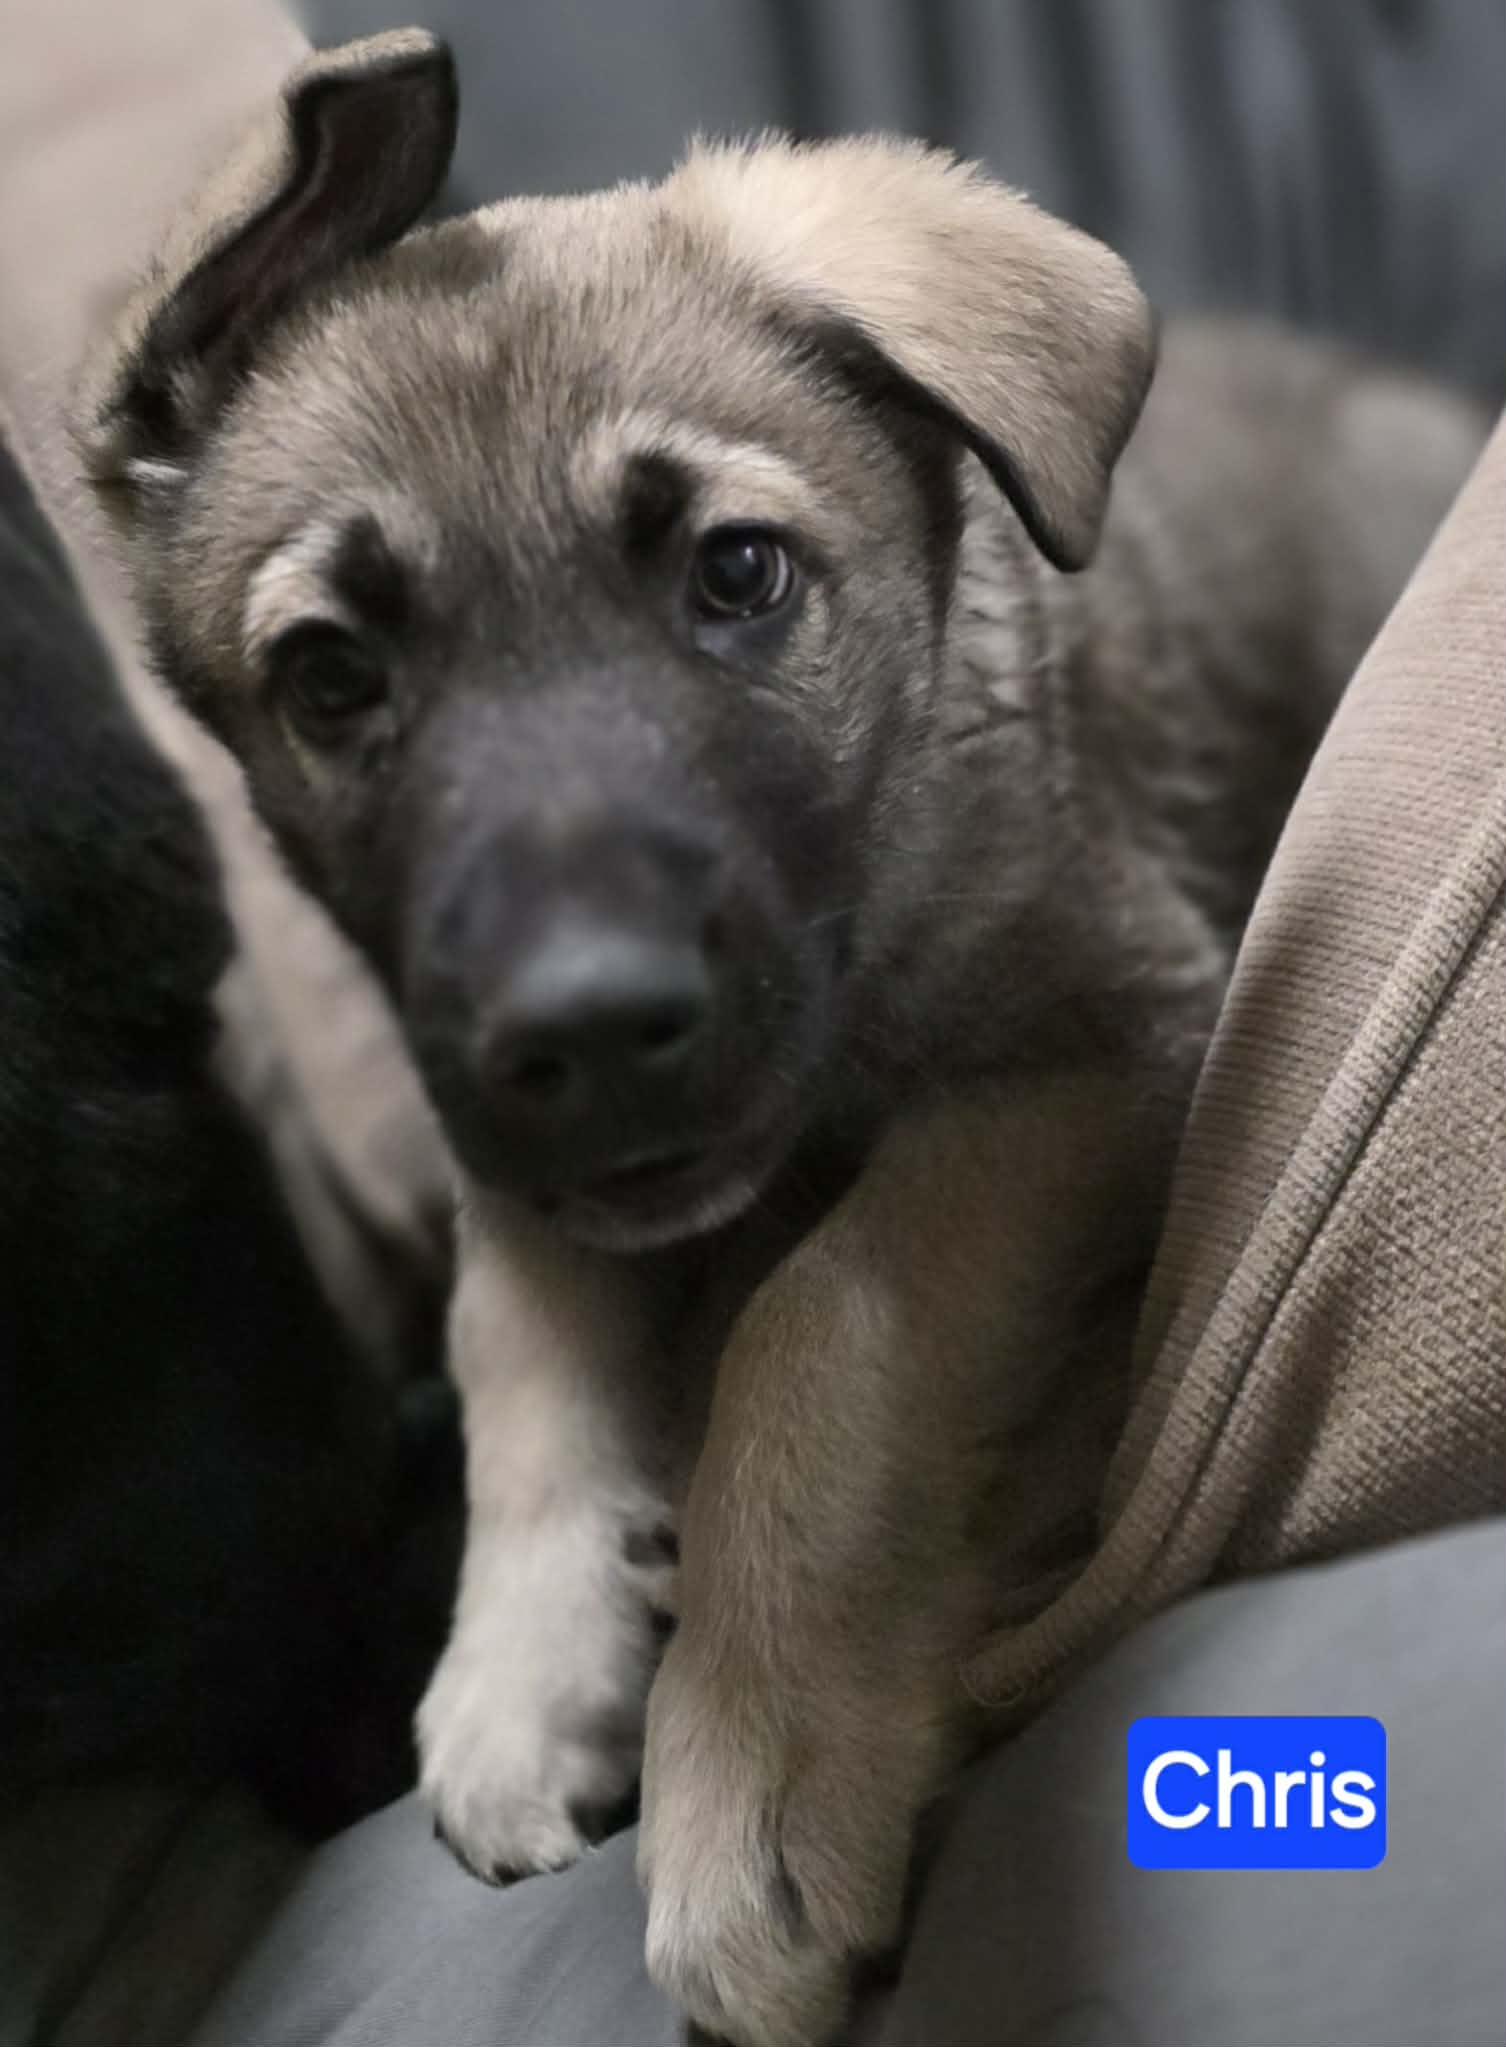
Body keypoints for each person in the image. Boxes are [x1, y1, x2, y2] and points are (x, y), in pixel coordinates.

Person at [2, 4, 1502, 2042]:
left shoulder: (971, 716)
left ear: (937, 474)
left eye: (734, 577)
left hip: (1379, 538)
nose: (572, 964)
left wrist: (807, 1512)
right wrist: (539, 1454)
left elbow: (1117, 1051)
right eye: (340, 683)